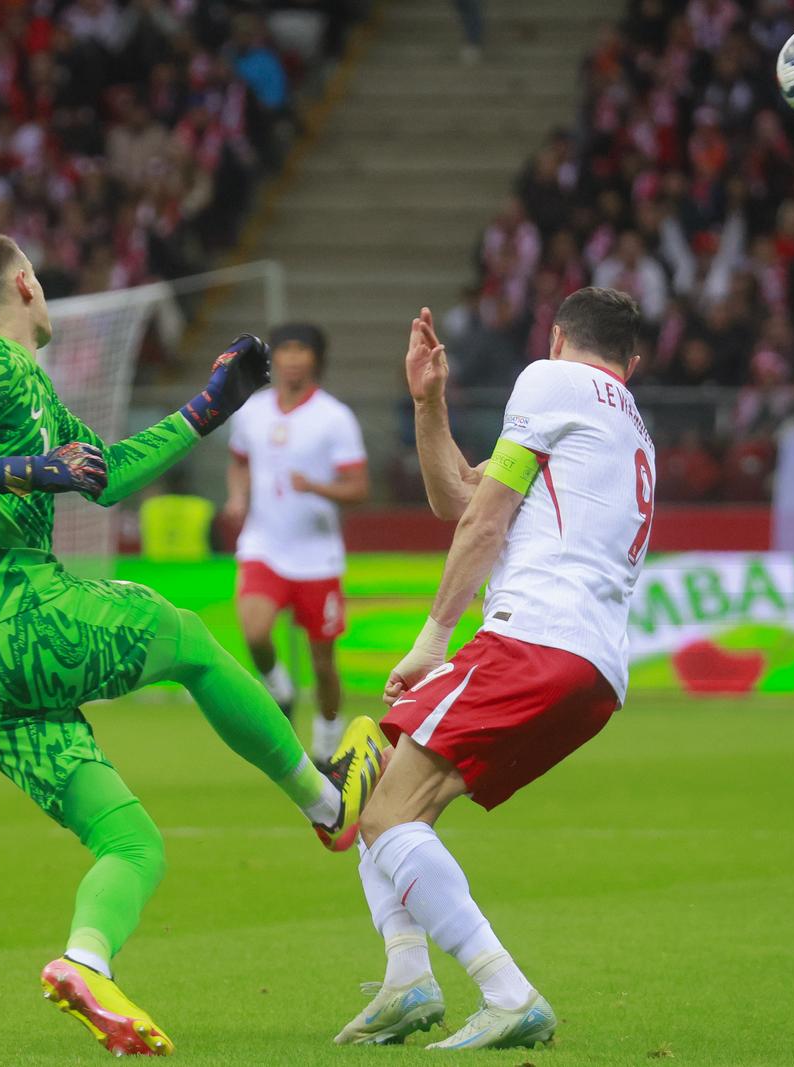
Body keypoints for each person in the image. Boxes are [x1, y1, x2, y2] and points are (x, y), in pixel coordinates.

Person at [0, 231, 384, 1057]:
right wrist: (25, 471)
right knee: (180, 630)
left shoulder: (24, 385)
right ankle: (328, 806)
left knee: (132, 841)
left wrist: (206, 411)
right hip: (8, 614)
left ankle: (84, 961)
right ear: (27, 286)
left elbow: (101, 469)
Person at [336, 289, 655, 1050]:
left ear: (554, 337)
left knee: (377, 812)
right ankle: (407, 977)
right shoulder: (626, 423)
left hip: (533, 638)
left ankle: (506, 990)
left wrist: (432, 637)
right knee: (385, 795)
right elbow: (464, 494)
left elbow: (483, 521)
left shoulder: (549, 382)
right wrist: (430, 402)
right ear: (632, 362)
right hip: (593, 669)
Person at [222, 323, 368, 765]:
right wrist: (237, 496)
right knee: (254, 631)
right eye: (284, 350)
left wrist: (318, 488)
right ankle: (281, 689)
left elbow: (358, 487)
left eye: (301, 350)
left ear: (315, 359)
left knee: (323, 663)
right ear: (274, 359)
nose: (292, 358)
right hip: (264, 545)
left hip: (316, 557)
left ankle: (327, 744)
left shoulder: (335, 417)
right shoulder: (252, 412)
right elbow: (239, 462)